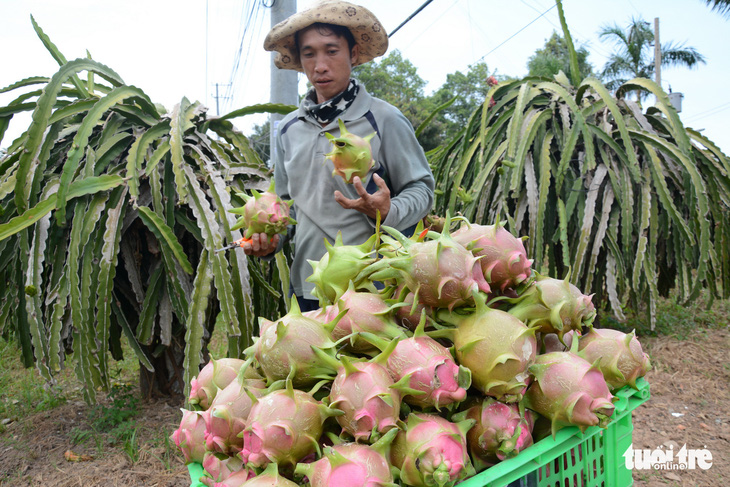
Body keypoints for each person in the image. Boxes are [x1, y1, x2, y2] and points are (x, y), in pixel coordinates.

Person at [244, 0, 435, 312]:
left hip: (375, 286)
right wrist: (268, 241)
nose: (320, 65)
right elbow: (285, 206)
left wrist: (388, 211)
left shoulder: (384, 119)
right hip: (309, 285)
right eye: (309, 53)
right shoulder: (289, 129)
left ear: (354, 54)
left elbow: (422, 189)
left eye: (331, 50)